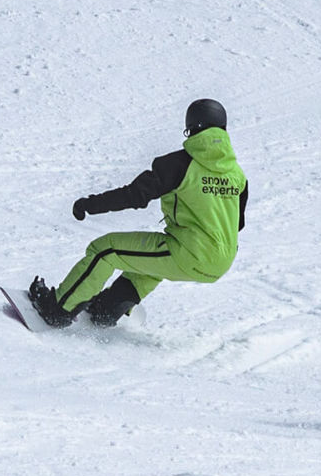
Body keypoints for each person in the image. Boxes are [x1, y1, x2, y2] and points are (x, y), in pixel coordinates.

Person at [29, 98, 248, 328]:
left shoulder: (180, 164)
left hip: (190, 253)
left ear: (191, 128)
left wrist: (90, 204)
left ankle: (57, 309)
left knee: (105, 249)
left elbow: (135, 195)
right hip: (222, 261)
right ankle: (107, 309)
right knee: (149, 266)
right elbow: (237, 224)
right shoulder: (237, 174)